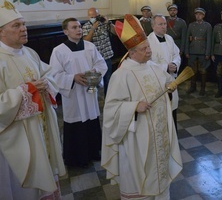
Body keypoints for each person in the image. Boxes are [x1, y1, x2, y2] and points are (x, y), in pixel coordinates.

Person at [101, 14, 182, 199]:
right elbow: (111, 109)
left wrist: (170, 87)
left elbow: (166, 84)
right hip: (137, 139)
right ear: (131, 53)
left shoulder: (153, 67)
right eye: (144, 48)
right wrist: (134, 107)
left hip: (158, 134)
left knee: (160, 176)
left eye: (148, 47)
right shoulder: (122, 75)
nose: (149, 51)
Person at [0, 0, 65, 199]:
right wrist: (24, 92)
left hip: (41, 128)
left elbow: (48, 74)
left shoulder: (29, 53)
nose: (24, 29)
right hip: (19, 137)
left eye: (24, 24)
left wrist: (46, 83)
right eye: (16, 26)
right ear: (1, 32)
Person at [50, 18, 108, 168]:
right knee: (76, 122)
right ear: (65, 31)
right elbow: (54, 75)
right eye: (74, 27)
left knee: (92, 118)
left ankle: (94, 152)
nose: (79, 30)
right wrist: (72, 78)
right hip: (73, 94)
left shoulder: (90, 47)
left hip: (90, 91)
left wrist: (94, 73)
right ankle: (76, 158)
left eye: (80, 27)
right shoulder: (59, 51)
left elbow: (100, 63)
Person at [148, 14, 181, 129]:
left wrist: (175, 64)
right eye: (160, 24)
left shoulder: (169, 38)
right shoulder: (148, 42)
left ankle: (173, 139)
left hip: (171, 80)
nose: (163, 27)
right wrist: (165, 67)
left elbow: (177, 54)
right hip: (158, 83)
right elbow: (147, 63)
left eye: (165, 24)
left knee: (172, 110)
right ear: (153, 26)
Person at [82, 7, 115, 96]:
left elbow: (116, 32)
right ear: (88, 16)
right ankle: (94, 101)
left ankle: (108, 99)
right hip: (94, 60)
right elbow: (86, 41)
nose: (94, 18)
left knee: (108, 80)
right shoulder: (86, 26)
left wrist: (108, 22)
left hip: (106, 56)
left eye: (96, 16)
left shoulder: (104, 24)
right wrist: (93, 28)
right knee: (94, 82)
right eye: (92, 16)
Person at [185, 7, 212, 96]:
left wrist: (208, 53)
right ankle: (193, 86)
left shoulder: (207, 25)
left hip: (203, 50)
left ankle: (203, 88)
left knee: (203, 70)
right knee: (192, 70)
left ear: (203, 16)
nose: (198, 16)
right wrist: (187, 51)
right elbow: (187, 39)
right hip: (192, 50)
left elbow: (209, 40)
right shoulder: (191, 25)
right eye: (196, 14)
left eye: (200, 14)